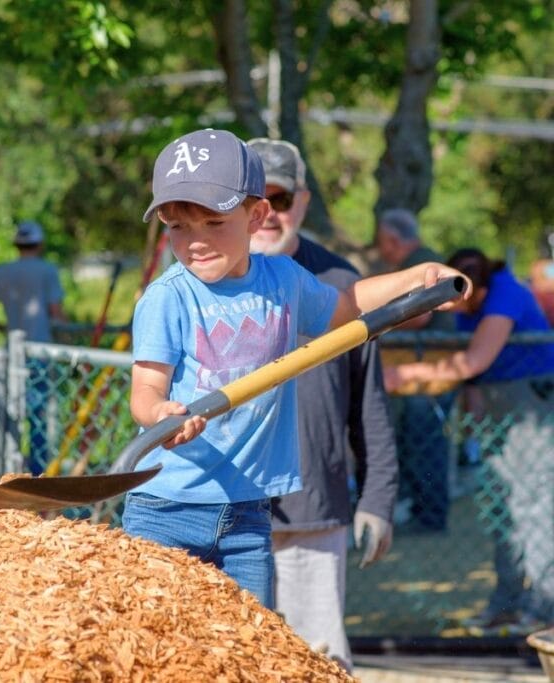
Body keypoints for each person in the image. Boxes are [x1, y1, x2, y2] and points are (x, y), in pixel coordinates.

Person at [123, 128, 469, 609]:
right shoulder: (169, 296)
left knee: (251, 645)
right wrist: (159, 411)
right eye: (178, 227)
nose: (195, 242)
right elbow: (145, 387)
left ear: (256, 215)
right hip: (168, 507)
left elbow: (346, 306)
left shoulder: (282, 280)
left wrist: (415, 277)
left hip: (248, 512)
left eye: (212, 222)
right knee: (161, 641)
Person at [247, 138, 398, 672]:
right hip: (224, 510)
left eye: (279, 200)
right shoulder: (199, 283)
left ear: (303, 202)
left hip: (313, 510)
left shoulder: (341, 285)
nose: (266, 215)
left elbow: (368, 404)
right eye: (251, 200)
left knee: (317, 660)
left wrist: (378, 497)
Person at [385, 248, 554, 633]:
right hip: (497, 406)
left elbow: (474, 360)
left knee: (535, 505)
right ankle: (508, 603)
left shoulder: (505, 294)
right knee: (502, 507)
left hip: (531, 404)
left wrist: (403, 374)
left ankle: (545, 609)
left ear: (470, 288)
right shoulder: (471, 305)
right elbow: (474, 374)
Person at [374, 208, 456, 531]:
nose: (380, 249)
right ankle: (424, 512)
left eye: (381, 242)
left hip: (428, 372)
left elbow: (420, 314)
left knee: (425, 444)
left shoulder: (419, 262)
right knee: (420, 442)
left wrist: (377, 322)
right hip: (425, 371)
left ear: (392, 240)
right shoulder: (426, 258)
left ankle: (430, 517)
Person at [0, 220, 67, 475]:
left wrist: (7, 330)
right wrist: (72, 340)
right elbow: (56, 313)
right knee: (39, 418)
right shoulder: (47, 271)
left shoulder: (2, 271)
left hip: (10, 353)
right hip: (40, 354)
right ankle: (39, 476)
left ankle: (7, 471)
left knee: (9, 413)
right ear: (39, 244)